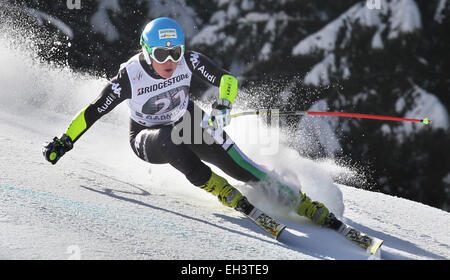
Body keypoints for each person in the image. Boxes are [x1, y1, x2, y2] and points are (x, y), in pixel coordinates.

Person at [43, 17, 334, 229]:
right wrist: (64, 141)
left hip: (189, 120)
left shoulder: (189, 61)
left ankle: (301, 202)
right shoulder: (129, 77)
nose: (170, 60)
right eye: (161, 54)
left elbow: (227, 80)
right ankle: (220, 189)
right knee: (170, 138)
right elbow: (94, 111)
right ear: (146, 51)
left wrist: (223, 105)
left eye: (175, 52)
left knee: (239, 165)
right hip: (147, 137)